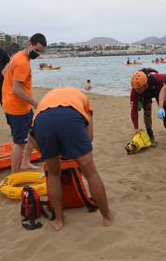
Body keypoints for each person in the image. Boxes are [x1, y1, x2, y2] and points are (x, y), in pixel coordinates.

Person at [28, 87, 114, 231]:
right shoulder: (84, 100)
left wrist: (51, 153)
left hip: (42, 120)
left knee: (54, 174)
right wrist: (73, 152)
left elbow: (31, 138)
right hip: (70, 115)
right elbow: (89, 137)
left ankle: (59, 221)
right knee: (91, 173)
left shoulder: (46, 101)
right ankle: (107, 217)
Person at [2, 33, 47, 173]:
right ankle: (14, 174)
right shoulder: (23, 63)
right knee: (19, 143)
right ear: (29, 44)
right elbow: (16, 90)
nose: (37, 54)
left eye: (40, 52)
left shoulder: (17, 56)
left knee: (32, 134)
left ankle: (26, 162)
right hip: (17, 108)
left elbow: (4, 72)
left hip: (15, 105)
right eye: (36, 50)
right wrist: (34, 102)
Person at [130, 68, 166, 146]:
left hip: (157, 90)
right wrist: (136, 128)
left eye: (139, 88)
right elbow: (134, 110)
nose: (137, 90)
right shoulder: (135, 91)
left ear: (145, 84)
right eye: (136, 89)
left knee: (163, 106)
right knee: (147, 112)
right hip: (145, 96)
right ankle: (150, 135)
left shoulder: (157, 78)